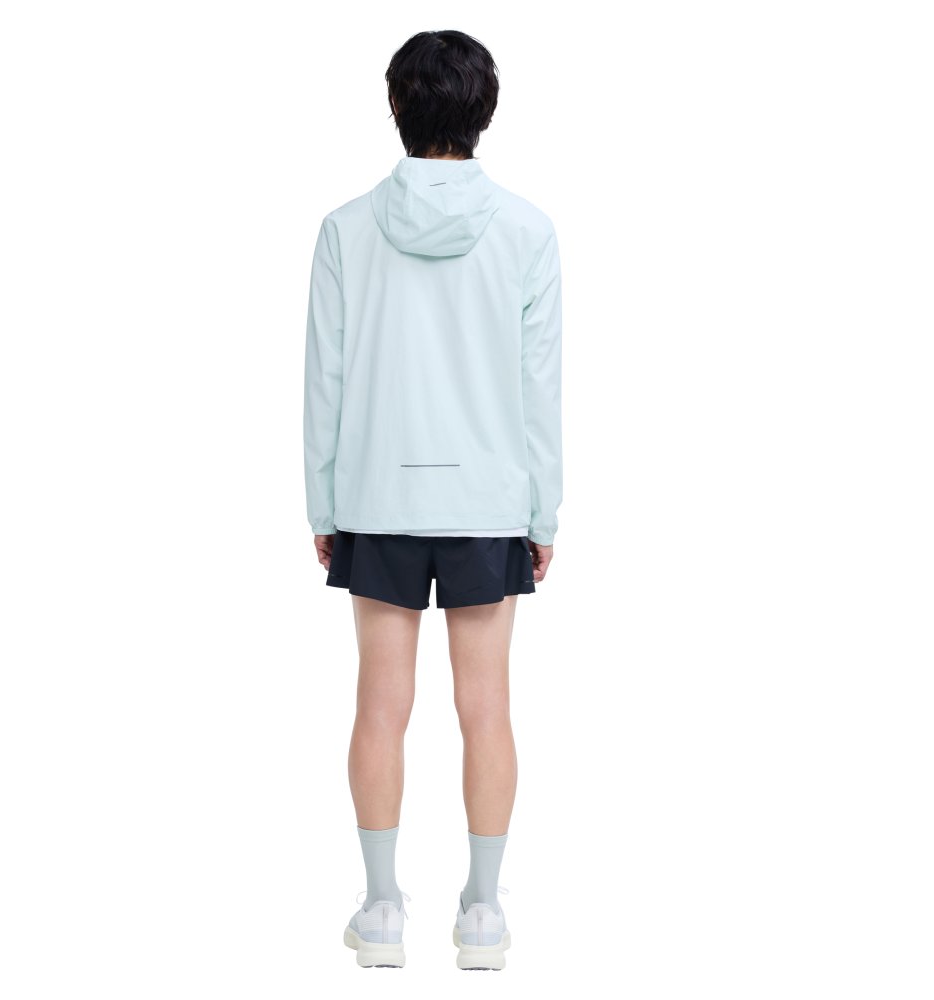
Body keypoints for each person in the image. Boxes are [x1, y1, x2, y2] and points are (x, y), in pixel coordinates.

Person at [302, 29, 563, 971]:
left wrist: (324, 507)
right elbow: (539, 387)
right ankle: (483, 914)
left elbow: (325, 381)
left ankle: (380, 912)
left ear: (397, 107)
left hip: (378, 493)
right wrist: (542, 514)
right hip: (488, 500)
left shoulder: (345, 229)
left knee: (380, 705)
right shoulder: (528, 231)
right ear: (483, 110)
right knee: (486, 707)